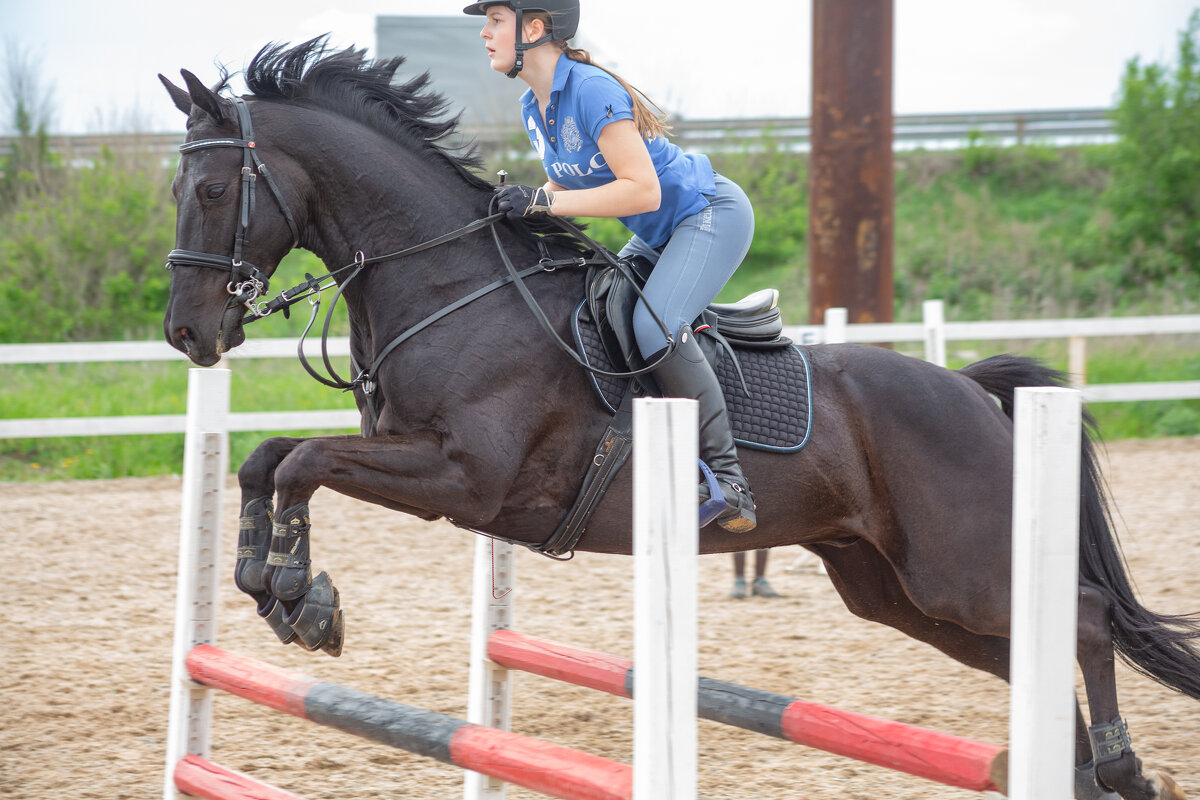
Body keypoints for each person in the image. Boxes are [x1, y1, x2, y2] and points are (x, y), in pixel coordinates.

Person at [464, 0, 758, 532]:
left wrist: (545, 202)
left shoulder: (592, 90)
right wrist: (523, 205)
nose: (484, 34)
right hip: (656, 236)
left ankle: (728, 479)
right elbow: (573, 181)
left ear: (534, 28)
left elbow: (642, 191)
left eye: (495, 21)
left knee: (654, 324)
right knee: (602, 307)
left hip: (708, 214)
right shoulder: (535, 106)